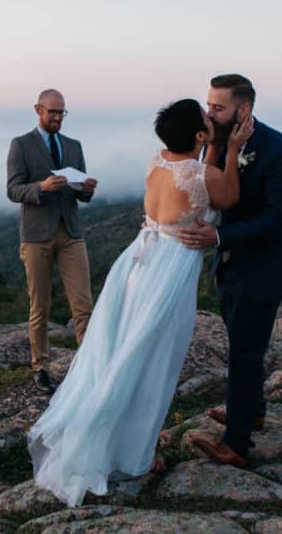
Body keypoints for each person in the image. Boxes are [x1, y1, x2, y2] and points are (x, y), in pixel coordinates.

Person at [28, 98, 251, 507]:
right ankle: (134, 455)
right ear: (200, 136)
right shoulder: (205, 175)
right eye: (206, 122)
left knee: (120, 352)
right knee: (152, 363)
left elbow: (194, 174)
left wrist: (212, 148)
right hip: (168, 270)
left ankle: (111, 436)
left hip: (136, 264)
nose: (210, 122)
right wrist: (233, 149)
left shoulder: (156, 162)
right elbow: (231, 195)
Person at [178, 74, 282, 469]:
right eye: (208, 104)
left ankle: (235, 443)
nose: (208, 112)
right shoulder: (217, 143)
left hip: (262, 265)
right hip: (230, 263)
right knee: (242, 342)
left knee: (245, 352)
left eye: (217, 107)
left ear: (242, 110)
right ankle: (252, 411)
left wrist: (219, 235)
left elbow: (275, 220)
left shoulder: (276, 150)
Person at [7, 89, 99, 394]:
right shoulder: (20, 145)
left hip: (71, 232)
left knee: (83, 304)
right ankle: (41, 367)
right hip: (36, 236)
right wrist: (41, 187)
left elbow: (81, 194)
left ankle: (89, 365)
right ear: (38, 110)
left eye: (62, 113)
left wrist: (87, 188)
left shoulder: (75, 146)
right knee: (40, 306)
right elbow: (13, 190)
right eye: (52, 112)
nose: (58, 117)